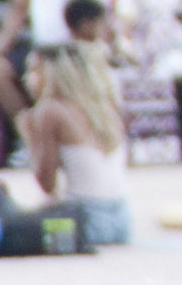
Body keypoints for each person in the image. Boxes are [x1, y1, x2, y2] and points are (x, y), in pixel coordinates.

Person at [19, 37, 134, 245]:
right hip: (122, 219)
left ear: (52, 73)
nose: (27, 79)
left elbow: (47, 184)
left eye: (34, 71)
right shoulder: (104, 106)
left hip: (86, 219)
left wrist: (30, 137)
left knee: (17, 227)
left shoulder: (50, 111)